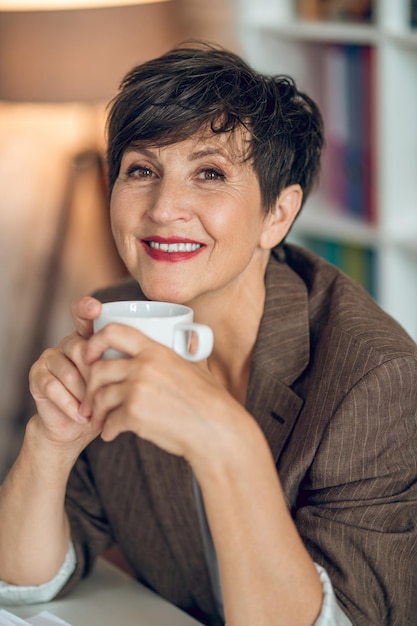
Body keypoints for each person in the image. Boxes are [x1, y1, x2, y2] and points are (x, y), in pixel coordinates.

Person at [0, 42, 416, 626]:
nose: (165, 207)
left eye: (210, 173)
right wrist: (51, 442)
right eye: (142, 170)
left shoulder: (376, 377)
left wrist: (226, 442)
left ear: (278, 214)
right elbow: (23, 583)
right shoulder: (120, 321)